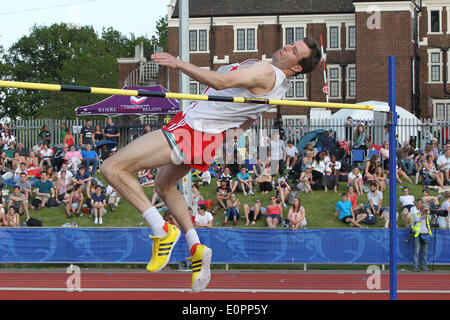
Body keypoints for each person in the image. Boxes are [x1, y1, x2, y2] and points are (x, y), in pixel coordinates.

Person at [101, 37, 321, 292]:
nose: (286, 47)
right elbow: (247, 118)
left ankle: (162, 230)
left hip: (192, 131)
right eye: (290, 43)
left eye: (294, 50)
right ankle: (195, 246)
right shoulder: (279, 88)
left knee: (112, 168)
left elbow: (222, 82)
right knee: (164, 185)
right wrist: (223, 138)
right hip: (207, 137)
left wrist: (178, 63)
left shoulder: (266, 72)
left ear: (296, 68)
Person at [411, 203, 432, 272]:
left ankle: (424, 267)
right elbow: (417, 220)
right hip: (418, 235)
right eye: (425, 209)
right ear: (421, 209)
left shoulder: (427, 216)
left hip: (425, 235)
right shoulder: (416, 214)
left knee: (425, 252)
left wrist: (428, 214)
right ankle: (415, 267)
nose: (426, 211)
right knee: (416, 252)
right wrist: (424, 215)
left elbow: (430, 219)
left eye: (427, 210)